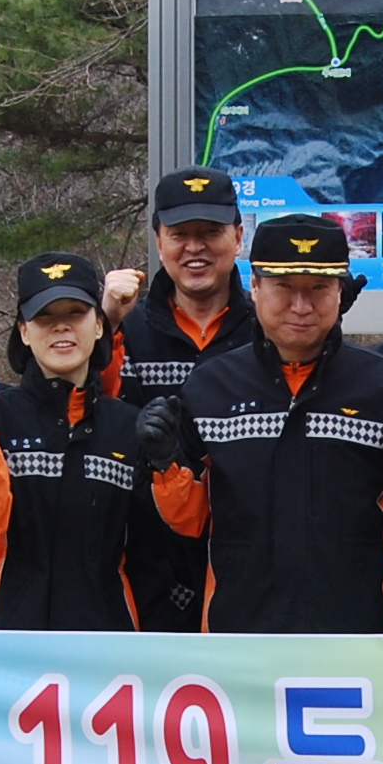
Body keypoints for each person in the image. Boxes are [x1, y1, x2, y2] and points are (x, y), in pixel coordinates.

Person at [136, 214, 383, 633]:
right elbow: (191, 523)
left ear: (340, 291)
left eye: (318, 288)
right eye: (284, 287)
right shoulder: (211, 386)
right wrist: (164, 463)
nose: (301, 306)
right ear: (256, 286)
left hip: (359, 635)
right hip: (240, 635)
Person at [0, 253, 155, 630]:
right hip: (7, 634)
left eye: (75, 313)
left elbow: (153, 550)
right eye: (45, 317)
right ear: (24, 331)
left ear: (99, 326)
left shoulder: (129, 426)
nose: (61, 327)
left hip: (105, 639)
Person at [103, 169, 257, 633]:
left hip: (244, 560)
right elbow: (87, 411)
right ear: (158, 241)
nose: (195, 248)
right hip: (141, 565)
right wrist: (106, 324)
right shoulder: (127, 329)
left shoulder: (268, 332)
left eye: (210, 233)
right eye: (180, 235)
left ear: (238, 237)